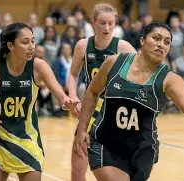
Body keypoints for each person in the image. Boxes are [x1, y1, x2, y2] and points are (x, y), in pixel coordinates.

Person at [73, 21, 184, 181]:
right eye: (156, 38)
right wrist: (82, 129)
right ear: (142, 40)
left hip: (141, 150)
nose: (161, 44)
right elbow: (92, 92)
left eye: (167, 42)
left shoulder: (169, 79)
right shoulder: (115, 63)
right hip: (104, 143)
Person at [0, 23, 79, 181]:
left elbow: (61, 97)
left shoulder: (38, 66)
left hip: (28, 141)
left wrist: (67, 101)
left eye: (32, 41)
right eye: (25, 42)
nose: (31, 46)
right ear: (10, 45)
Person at [67, 3, 136, 181]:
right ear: (94, 23)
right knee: (77, 169)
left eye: (111, 23)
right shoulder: (83, 45)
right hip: (90, 111)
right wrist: (73, 96)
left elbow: (142, 77)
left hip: (114, 115)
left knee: (110, 172)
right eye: (102, 23)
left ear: (115, 24)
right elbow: (73, 75)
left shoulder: (124, 48)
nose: (107, 28)